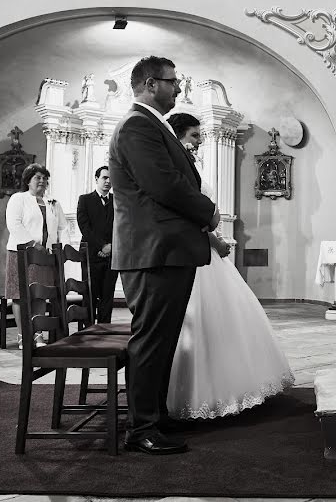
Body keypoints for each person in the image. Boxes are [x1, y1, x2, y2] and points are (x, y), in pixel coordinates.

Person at [109, 56, 220, 455]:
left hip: (163, 249)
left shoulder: (151, 125)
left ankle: (153, 414)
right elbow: (165, 185)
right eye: (173, 82)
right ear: (151, 84)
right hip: (153, 250)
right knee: (152, 340)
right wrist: (208, 212)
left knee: (162, 338)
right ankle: (141, 428)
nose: (178, 89)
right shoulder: (138, 125)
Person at [164, 113, 294, 420]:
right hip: (194, 253)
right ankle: (194, 393)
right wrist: (215, 240)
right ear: (179, 136)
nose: (198, 142)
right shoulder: (175, 167)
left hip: (204, 250)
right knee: (199, 324)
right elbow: (189, 214)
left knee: (223, 322)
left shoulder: (189, 166)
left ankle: (224, 385)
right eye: (195, 136)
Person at [4, 163, 69, 349]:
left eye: (44, 178)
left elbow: (62, 227)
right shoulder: (19, 199)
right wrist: (33, 244)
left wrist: (60, 249)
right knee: (20, 295)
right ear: (28, 181)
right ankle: (23, 335)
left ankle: (38, 336)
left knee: (40, 295)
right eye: (37, 178)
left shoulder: (52, 202)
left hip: (45, 256)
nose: (42, 181)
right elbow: (14, 224)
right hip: (22, 254)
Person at [76, 166, 119, 324]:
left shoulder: (118, 201)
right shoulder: (85, 199)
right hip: (91, 254)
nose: (108, 181)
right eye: (104, 178)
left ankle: (104, 330)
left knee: (108, 294)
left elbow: (122, 226)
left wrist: (111, 247)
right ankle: (89, 329)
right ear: (96, 179)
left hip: (112, 255)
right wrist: (102, 246)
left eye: (110, 178)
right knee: (90, 293)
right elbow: (85, 227)